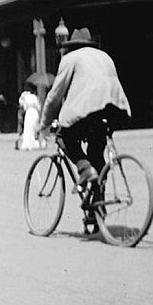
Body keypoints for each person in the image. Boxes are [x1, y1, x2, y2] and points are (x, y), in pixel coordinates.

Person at [38, 28, 130, 190]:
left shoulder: (70, 58)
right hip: (114, 110)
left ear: (72, 45)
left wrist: (44, 123)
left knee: (63, 137)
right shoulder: (105, 56)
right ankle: (97, 206)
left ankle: (85, 169)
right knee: (96, 152)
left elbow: (54, 97)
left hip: (89, 109)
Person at [17, 86, 43, 151]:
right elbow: (38, 106)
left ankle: (27, 144)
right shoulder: (35, 97)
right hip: (35, 112)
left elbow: (24, 106)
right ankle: (35, 143)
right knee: (34, 128)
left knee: (28, 128)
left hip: (28, 113)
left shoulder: (26, 97)